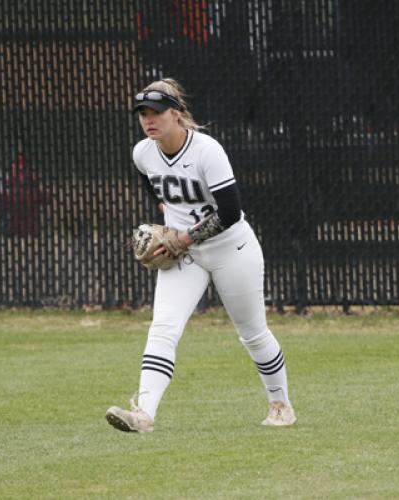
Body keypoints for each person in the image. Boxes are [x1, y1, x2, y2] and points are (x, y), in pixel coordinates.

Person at [106, 78, 296, 432]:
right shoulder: (142, 153)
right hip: (185, 257)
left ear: (176, 114)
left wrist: (184, 237)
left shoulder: (206, 150)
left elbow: (230, 212)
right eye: (142, 113)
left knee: (252, 333)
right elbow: (157, 190)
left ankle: (280, 404)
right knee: (163, 328)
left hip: (232, 250)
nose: (149, 120)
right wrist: (167, 227)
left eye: (156, 112)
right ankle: (143, 414)